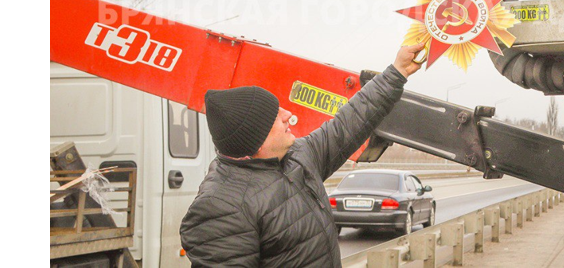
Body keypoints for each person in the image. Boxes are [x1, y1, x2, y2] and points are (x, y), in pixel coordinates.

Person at [180, 43, 425, 267]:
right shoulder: (220, 207)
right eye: (275, 114)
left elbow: (349, 123)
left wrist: (397, 71)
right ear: (255, 138)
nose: (287, 114)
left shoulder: (297, 156)